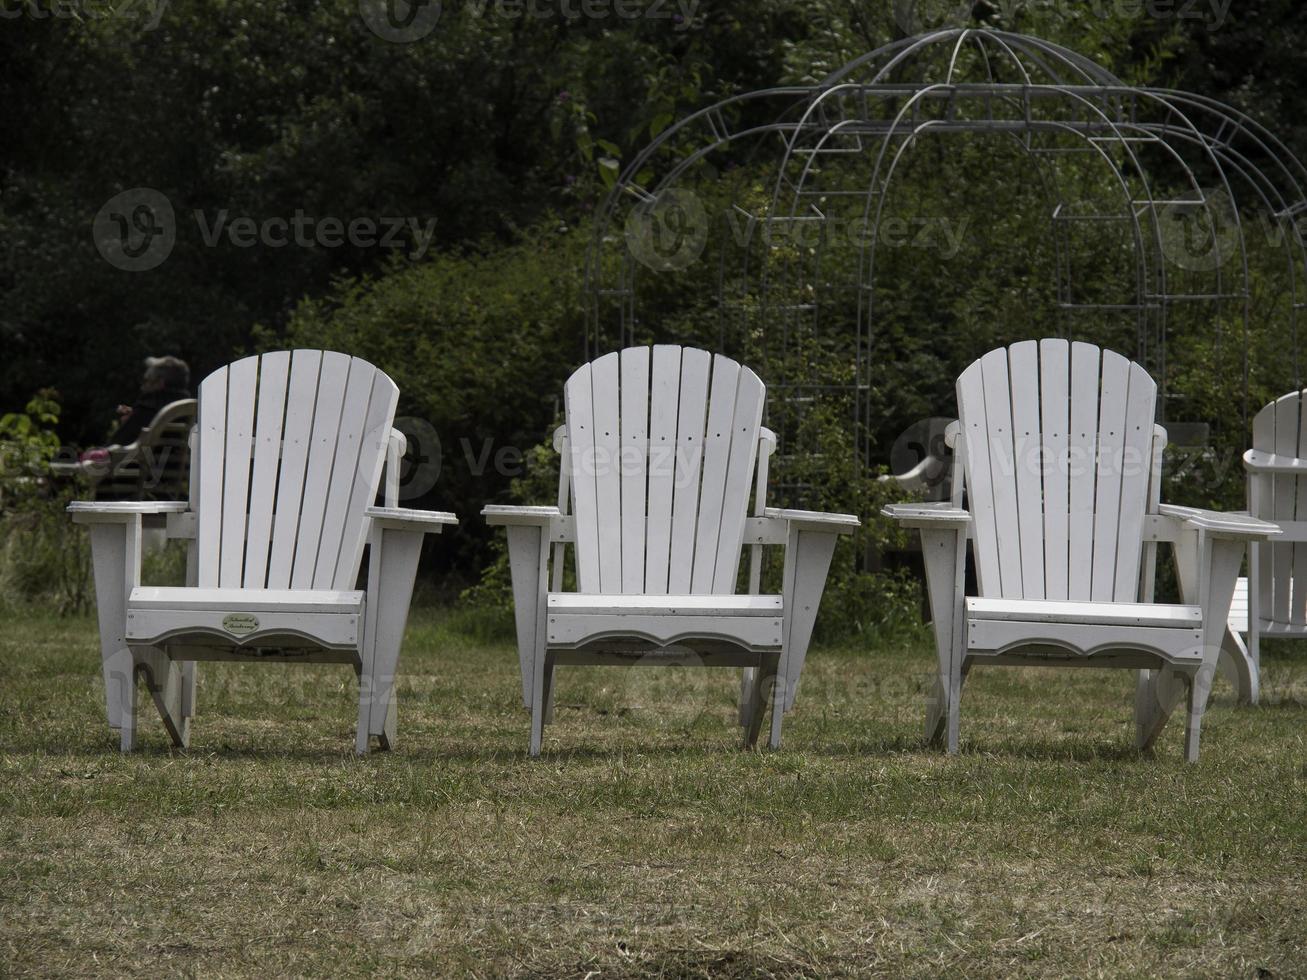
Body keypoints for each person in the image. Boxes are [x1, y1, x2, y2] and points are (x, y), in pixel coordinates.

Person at [105, 355, 192, 447]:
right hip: (176, 461)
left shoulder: (148, 408)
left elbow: (114, 448)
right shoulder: (190, 410)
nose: (142, 387)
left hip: (140, 461)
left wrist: (131, 422)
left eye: (147, 380)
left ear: (159, 383)